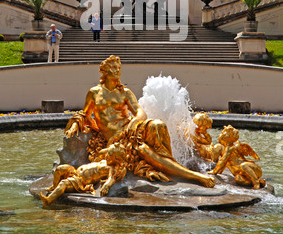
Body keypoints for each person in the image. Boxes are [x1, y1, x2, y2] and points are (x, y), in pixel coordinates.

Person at [65, 55, 215, 188]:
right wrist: (74, 124)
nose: (117, 70)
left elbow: (140, 111)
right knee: (144, 151)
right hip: (116, 141)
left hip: (132, 129)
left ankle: (170, 163)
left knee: (158, 125)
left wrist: (134, 121)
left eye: (119, 67)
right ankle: (194, 176)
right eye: (113, 67)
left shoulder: (124, 92)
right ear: (104, 71)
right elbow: (84, 115)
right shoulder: (94, 93)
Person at [40, 143, 127, 206]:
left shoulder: (111, 168)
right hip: (75, 172)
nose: (107, 156)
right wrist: (110, 149)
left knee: (64, 183)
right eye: (107, 154)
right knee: (60, 169)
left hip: (80, 181)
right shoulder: (105, 161)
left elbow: (112, 178)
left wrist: (107, 186)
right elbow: (101, 153)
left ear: (116, 159)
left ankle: (49, 200)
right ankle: (54, 186)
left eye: (110, 155)